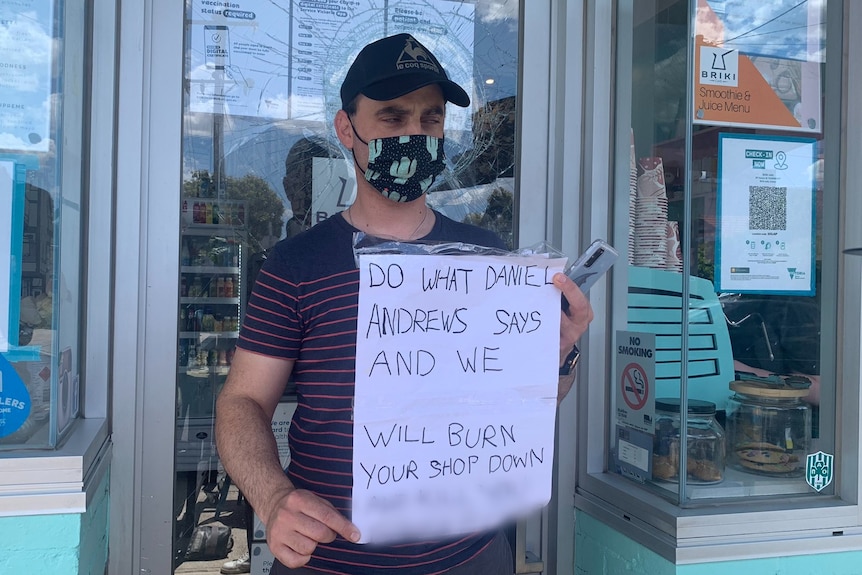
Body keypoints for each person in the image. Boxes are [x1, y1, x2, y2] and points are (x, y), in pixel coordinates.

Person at [215, 33, 593, 574]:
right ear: (348, 129)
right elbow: (242, 403)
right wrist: (273, 499)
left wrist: (558, 357)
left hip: (470, 556)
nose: (415, 134)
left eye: (430, 119)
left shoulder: (487, 260)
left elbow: (519, 416)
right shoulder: (295, 265)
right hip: (329, 560)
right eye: (392, 118)